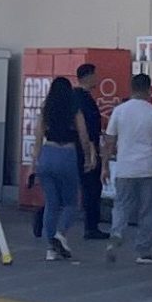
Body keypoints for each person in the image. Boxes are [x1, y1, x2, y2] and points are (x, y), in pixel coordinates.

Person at [102, 72, 152, 264]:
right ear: (149, 90)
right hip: (149, 167)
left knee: (121, 206)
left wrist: (105, 166)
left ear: (131, 89)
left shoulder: (119, 111)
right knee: (147, 210)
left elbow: (109, 142)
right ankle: (143, 251)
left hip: (124, 168)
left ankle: (116, 235)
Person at [28, 77, 87, 260]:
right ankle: (60, 235)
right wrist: (89, 156)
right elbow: (83, 136)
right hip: (67, 154)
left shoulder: (46, 109)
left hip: (47, 155)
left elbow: (38, 139)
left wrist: (33, 166)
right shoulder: (74, 109)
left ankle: (50, 249)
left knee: (51, 203)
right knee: (71, 202)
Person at [72, 62, 107, 239]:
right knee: (92, 187)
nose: (97, 78)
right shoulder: (83, 99)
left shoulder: (77, 97)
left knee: (82, 187)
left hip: (78, 148)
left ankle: (91, 225)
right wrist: (91, 151)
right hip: (86, 148)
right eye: (95, 75)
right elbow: (87, 128)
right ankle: (91, 226)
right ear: (88, 77)